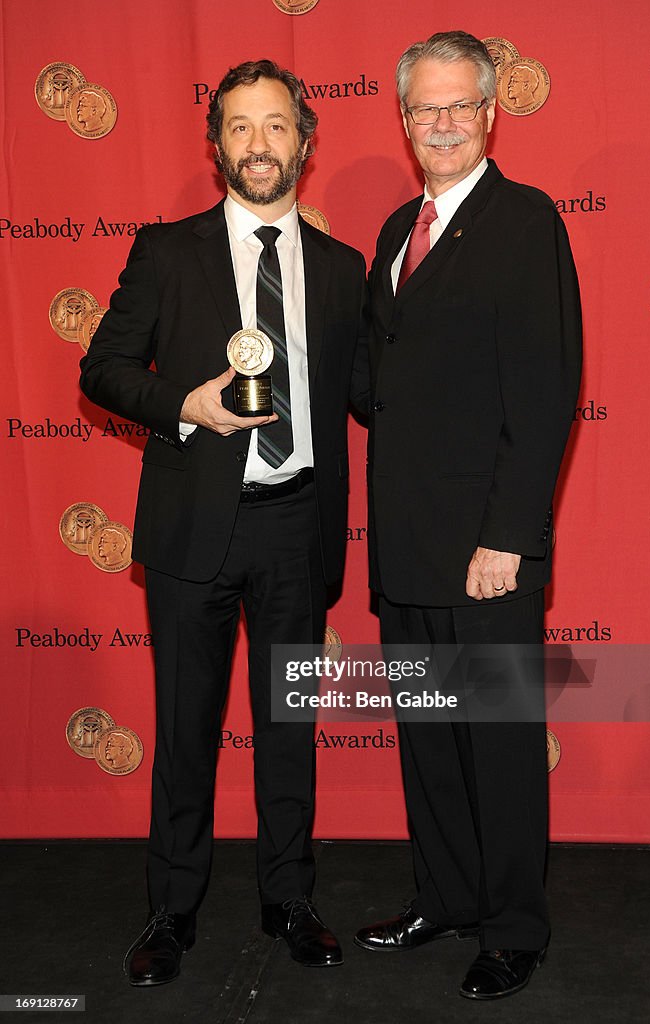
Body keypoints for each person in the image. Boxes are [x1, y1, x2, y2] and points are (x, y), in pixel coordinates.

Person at [80, 58, 368, 986]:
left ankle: (291, 899)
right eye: (240, 127)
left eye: (276, 125)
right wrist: (184, 406)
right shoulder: (167, 251)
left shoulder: (341, 268)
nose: (258, 144)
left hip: (297, 525)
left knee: (290, 724)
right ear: (216, 147)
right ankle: (172, 909)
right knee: (186, 728)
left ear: (304, 142)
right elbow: (103, 368)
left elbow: (369, 390)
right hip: (195, 528)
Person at [355, 31, 581, 1000]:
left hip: (484, 550)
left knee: (493, 743)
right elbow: (374, 384)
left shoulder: (524, 221)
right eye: (422, 109)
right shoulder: (392, 230)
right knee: (428, 738)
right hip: (403, 542)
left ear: (489, 113)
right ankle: (443, 896)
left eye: (458, 106)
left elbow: (543, 392)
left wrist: (510, 535)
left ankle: (511, 924)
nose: (440, 123)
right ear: (403, 121)